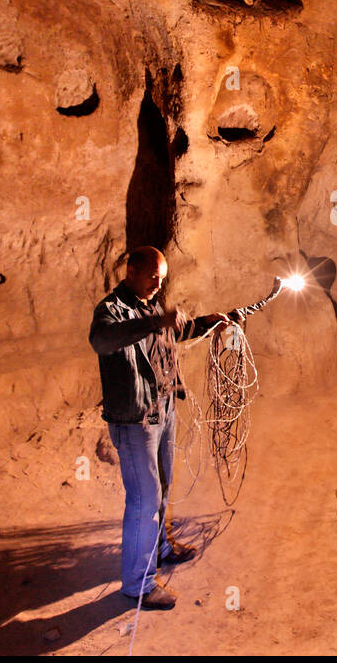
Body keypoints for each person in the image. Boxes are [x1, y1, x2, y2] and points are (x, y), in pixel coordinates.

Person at [88, 245, 239, 609]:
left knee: (163, 487)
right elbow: (102, 341)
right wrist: (157, 321)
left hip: (163, 410)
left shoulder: (150, 305)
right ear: (131, 272)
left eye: (162, 278)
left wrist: (208, 322)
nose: (158, 284)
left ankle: (160, 549)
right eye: (153, 276)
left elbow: (173, 332)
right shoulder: (111, 310)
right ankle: (138, 585)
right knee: (144, 499)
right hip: (135, 419)